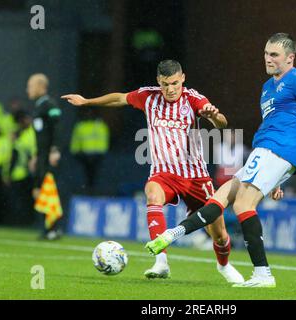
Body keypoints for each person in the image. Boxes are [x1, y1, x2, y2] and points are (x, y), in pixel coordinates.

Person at [145, 33, 296, 288]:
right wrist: (275, 180)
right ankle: (170, 235)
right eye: (266, 53)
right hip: (263, 153)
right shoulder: (267, 88)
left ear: (290, 58)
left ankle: (263, 274)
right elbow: (277, 123)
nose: (267, 58)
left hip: (276, 151)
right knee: (219, 198)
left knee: (243, 205)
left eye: (274, 55)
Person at [62, 60, 244, 283]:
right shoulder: (148, 96)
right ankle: (161, 262)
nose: (170, 89)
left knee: (219, 233)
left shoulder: (194, 99)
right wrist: (87, 101)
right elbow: (120, 98)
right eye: (166, 84)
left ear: (183, 78)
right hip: (163, 173)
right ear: (159, 81)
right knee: (152, 194)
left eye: (175, 83)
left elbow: (222, 125)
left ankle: (224, 266)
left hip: (196, 176)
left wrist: (213, 116)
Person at [26, 73, 62, 240]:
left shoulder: (49, 105)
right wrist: (36, 156)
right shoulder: (39, 107)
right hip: (41, 155)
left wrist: (54, 150)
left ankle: (53, 229)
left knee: (48, 191)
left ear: (41, 87)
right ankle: (48, 228)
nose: (28, 90)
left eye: (30, 86)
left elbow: (56, 128)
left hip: (48, 155)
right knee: (38, 191)